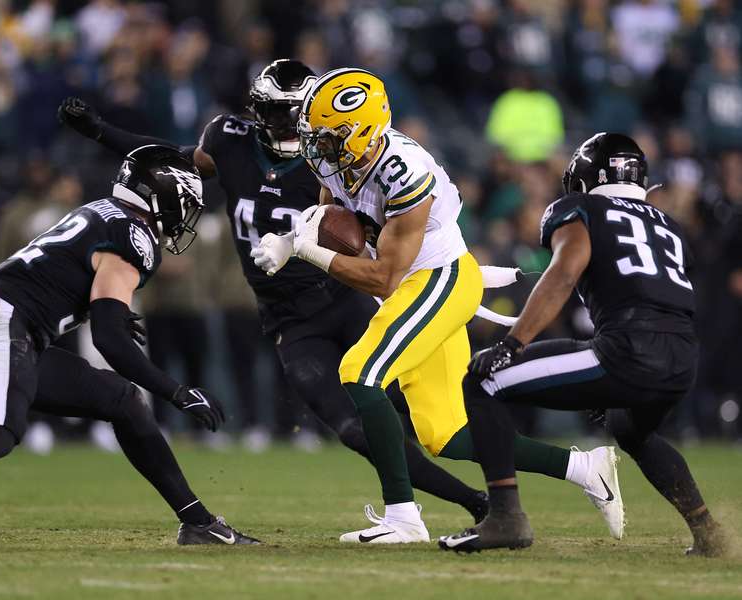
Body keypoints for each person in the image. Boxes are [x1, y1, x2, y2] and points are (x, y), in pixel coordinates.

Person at [58, 60, 493, 522]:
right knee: (353, 428)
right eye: (276, 112)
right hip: (289, 318)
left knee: (424, 409)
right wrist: (101, 131)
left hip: (347, 297)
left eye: (293, 114)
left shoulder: (332, 158)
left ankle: (494, 475)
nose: (285, 125)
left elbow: (392, 219)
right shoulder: (229, 140)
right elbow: (175, 160)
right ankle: (464, 503)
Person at [252, 67, 622, 543]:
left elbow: (383, 277)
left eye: (327, 139)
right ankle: (583, 467)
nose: (317, 150)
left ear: (363, 131)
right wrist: (293, 235)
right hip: (420, 281)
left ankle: (403, 518)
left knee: (360, 372)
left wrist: (304, 250)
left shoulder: (406, 170)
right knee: (446, 435)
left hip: (437, 280)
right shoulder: (338, 157)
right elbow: (333, 219)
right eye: (315, 138)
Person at [0, 145, 258, 548]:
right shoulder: (132, 234)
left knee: (123, 400)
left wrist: (109, 313)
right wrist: (176, 391)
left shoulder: (103, 211)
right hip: (2, 323)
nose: (183, 215)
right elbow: (109, 341)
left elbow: (73, 284)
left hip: (12, 328)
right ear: (160, 197)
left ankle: (198, 522)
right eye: (183, 203)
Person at [438, 133, 726, 556]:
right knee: (632, 430)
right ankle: (709, 533)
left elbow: (564, 272)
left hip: (627, 350)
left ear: (586, 178)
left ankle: (505, 517)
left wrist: (513, 343)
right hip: (682, 359)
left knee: (483, 380)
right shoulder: (668, 225)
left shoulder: (580, 207)